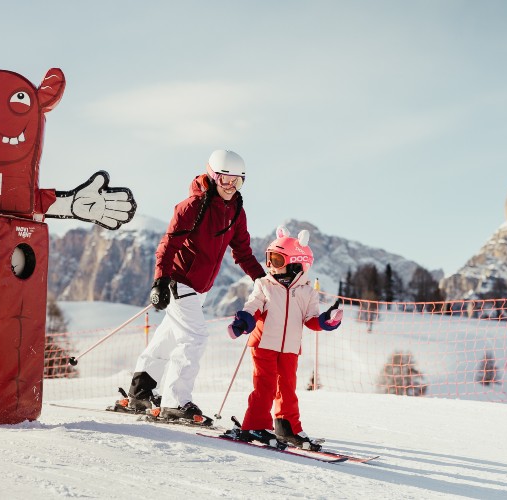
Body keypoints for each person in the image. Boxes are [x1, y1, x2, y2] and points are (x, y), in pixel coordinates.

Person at [115, 149, 266, 421]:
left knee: (168, 338)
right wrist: (160, 281)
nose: (230, 186)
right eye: (224, 180)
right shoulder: (191, 207)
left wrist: (262, 279)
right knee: (194, 337)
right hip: (179, 281)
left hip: (200, 289)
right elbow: (168, 244)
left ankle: (140, 392)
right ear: (212, 176)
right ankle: (175, 401)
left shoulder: (236, 212)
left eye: (237, 181)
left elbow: (242, 252)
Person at [224, 226, 343, 449]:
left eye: (276, 260)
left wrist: (327, 321)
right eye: (269, 259)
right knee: (265, 386)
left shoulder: (308, 291)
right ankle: (255, 425)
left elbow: (311, 319)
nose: (270, 266)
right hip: (264, 344)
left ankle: (287, 426)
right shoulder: (264, 285)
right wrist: (243, 321)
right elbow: (254, 307)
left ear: (296, 263)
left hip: (289, 348)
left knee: (287, 389)